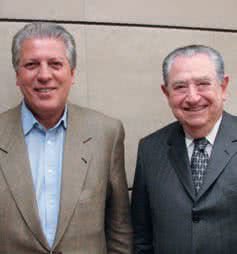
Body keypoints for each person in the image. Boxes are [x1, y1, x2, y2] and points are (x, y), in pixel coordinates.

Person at [0, 22, 132, 254]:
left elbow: (119, 227)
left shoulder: (106, 133)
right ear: (17, 76)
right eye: (31, 65)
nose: (44, 75)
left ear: (72, 74)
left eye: (55, 64)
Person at [131, 44, 237, 253]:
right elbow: (142, 236)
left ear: (223, 87)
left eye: (203, 84)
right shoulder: (150, 149)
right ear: (166, 92)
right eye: (180, 87)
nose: (193, 97)